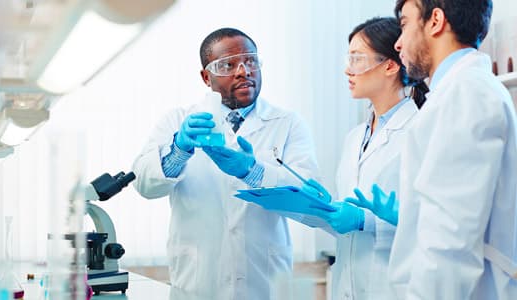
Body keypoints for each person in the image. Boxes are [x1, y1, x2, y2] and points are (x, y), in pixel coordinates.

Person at [131, 27, 320, 299]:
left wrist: (253, 172)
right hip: (198, 285)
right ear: (206, 77)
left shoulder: (288, 124)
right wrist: (179, 150)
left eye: (251, 61)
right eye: (228, 65)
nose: (243, 71)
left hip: (263, 283)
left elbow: (309, 198)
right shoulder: (176, 121)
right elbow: (146, 185)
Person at [351, 0, 517, 298]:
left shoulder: (465, 93)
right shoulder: (458, 92)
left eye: (404, 24)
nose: (399, 43)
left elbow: (449, 242)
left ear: (436, 21)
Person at [277, 17, 427, 299]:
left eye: (357, 59)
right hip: (348, 283)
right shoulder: (354, 138)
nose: (348, 70)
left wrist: (367, 221)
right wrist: (322, 209)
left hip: (396, 286)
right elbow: (348, 223)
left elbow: (432, 222)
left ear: (390, 65)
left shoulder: (421, 130)